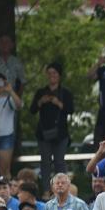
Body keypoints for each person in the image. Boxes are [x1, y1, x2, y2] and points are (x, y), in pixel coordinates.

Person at [30, 63, 74, 193]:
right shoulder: (41, 92)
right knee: (45, 163)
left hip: (61, 133)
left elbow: (71, 110)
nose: (52, 76)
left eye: (54, 73)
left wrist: (58, 103)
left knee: (59, 162)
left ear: (59, 75)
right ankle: (45, 190)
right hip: (43, 133)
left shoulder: (65, 93)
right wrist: (41, 102)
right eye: (49, 73)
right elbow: (32, 110)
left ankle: (62, 191)